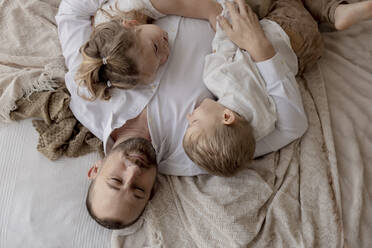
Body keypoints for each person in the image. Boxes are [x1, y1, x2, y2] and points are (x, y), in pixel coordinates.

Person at [58, 0, 371, 229]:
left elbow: (71, 12)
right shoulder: (197, 153)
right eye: (138, 190)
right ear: (153, 191)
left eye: (116, 180)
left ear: (95, 170)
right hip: (245, 16)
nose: (133, 173)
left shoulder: (87, 98)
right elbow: (291, 125)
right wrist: (260, 48)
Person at [182, 0, 372, 176]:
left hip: (304, 54)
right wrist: (225, 20)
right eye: (194, 122)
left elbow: (293, 126)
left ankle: (336, 11)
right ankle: (334, 10)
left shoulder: (262, 127)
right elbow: (225, 44)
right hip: (284, 29)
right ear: (226, 117)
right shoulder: (217, 79)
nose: (189, 116)